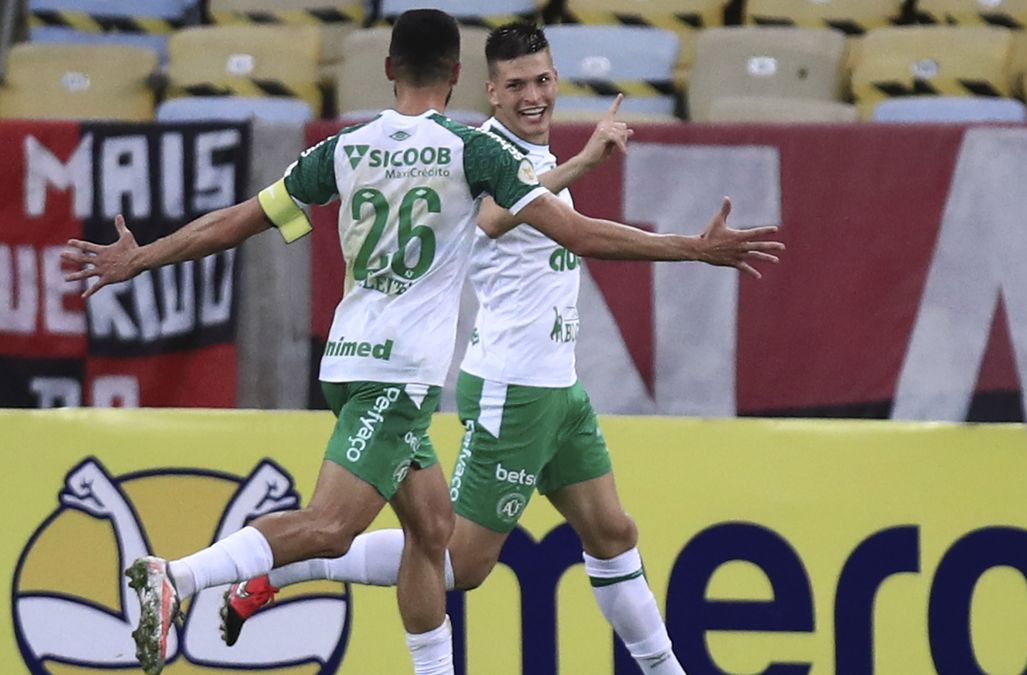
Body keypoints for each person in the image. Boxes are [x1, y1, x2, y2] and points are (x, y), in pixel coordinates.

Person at [64, 10, 780, 675]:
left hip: (353, 359)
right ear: (464, 77)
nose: (534, 94)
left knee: (433, 531)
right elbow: (576, 234)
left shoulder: (342, 148)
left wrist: (142, 257)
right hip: (397, 376)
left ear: (387, 68)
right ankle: (180, 575)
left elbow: (240, 220)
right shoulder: (471, 153)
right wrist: (691, 246)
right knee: (330, 527)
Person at [218, 22, 698, 674]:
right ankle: (280, 570)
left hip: (559, 385)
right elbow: (496, 219)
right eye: (517, 84)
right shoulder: (483, 151)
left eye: (543, 79)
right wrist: (586, 163)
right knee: (457, 563)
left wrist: (574, 160)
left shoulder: (533, 152)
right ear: (490, 91)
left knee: (613, 532)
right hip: (512, 386)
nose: (534, 95)